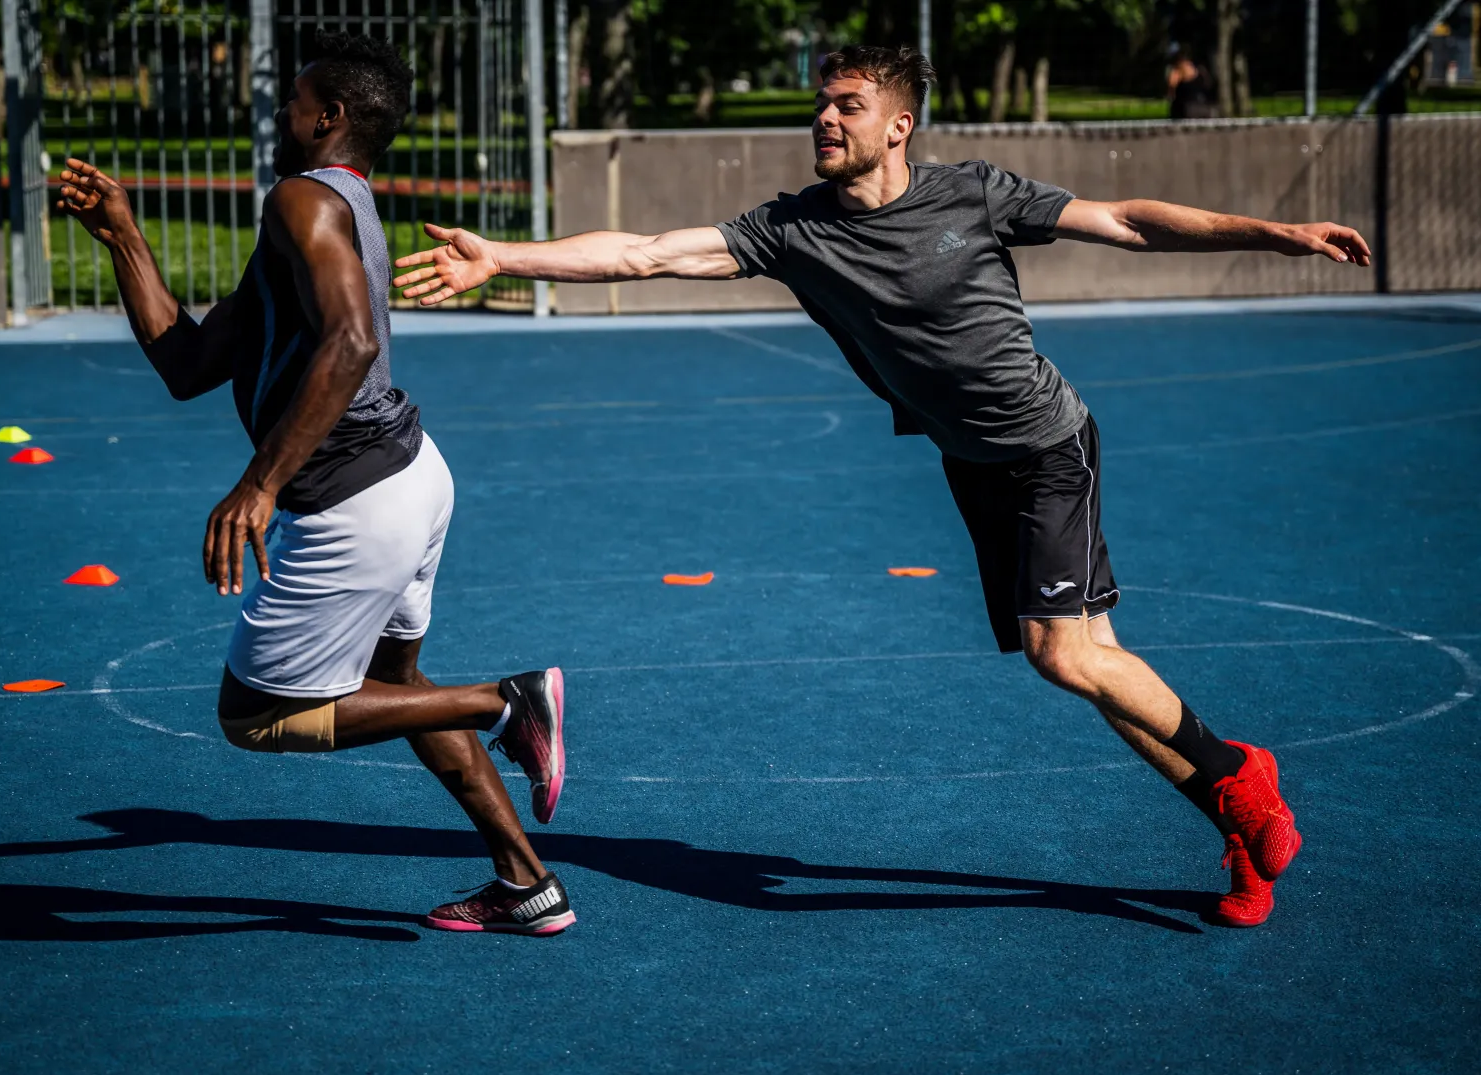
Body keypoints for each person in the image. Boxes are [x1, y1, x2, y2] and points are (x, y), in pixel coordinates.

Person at [393, 44, 1374, 928]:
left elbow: (1123, 219)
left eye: (848, 105)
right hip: (972, 462)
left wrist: (1274, 232)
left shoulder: (975, 195)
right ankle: (1240, 828)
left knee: (1063, 656)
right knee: (1101, 666)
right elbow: (645, 252)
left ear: (898, 124)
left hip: (1046, 447)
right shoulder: (792, 230)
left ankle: (1244, 778)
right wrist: (505, 257)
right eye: (820, 105)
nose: (825, 119)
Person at [56, 31, 573, 936]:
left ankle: (508, 700)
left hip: (356, 497)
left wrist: (259, 485)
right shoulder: (322, 212)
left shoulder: (302, 199)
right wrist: (125, 236)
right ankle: (524, 881)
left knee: (255, 714)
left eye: (294, 101)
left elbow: (353, 340)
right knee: (393, 683)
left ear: (328, 118)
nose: (280, 114)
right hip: (410, 477)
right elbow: (191, 362)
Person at [1167, 44, 1217, 120]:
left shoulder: (1177, 72)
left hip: (1188, 108)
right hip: (1204, 106)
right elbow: (1208, 84)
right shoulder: (1200, 70)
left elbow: (1171, 88)